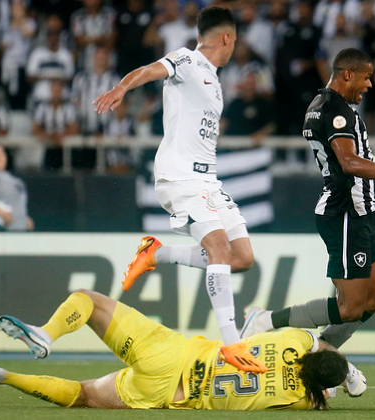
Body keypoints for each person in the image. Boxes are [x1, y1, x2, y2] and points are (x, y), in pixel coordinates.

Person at [239, 49, 375, 386]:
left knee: (374, 299)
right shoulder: (335, 110)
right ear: (347, 75)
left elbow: (346, 160)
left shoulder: (328, 107)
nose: (370, 84)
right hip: (346, 214)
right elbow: (347, 164)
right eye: (366, 77)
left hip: (362, 213)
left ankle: (322, 356)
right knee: (349, 308)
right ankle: (266, 320)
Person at [93, 6, 265, 373]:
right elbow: (151, 70)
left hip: (208, 180)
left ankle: (157, 252)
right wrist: (122, 87)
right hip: (180, 177)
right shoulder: (188, 59)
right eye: (235, 39)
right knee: (218, 249)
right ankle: (232, 343)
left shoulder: (215, 81)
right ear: (227, 38)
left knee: (242, 258)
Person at [0, 289, 351, 410]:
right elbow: (321, 392)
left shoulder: (295, 342)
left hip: (170, 353)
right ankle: (3, 377)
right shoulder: (299, 400)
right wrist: (338, 385)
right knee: (82, 395)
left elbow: (318, 342)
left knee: (89, 301)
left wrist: (348, 371)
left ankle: (48, 334)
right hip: (166, 393)